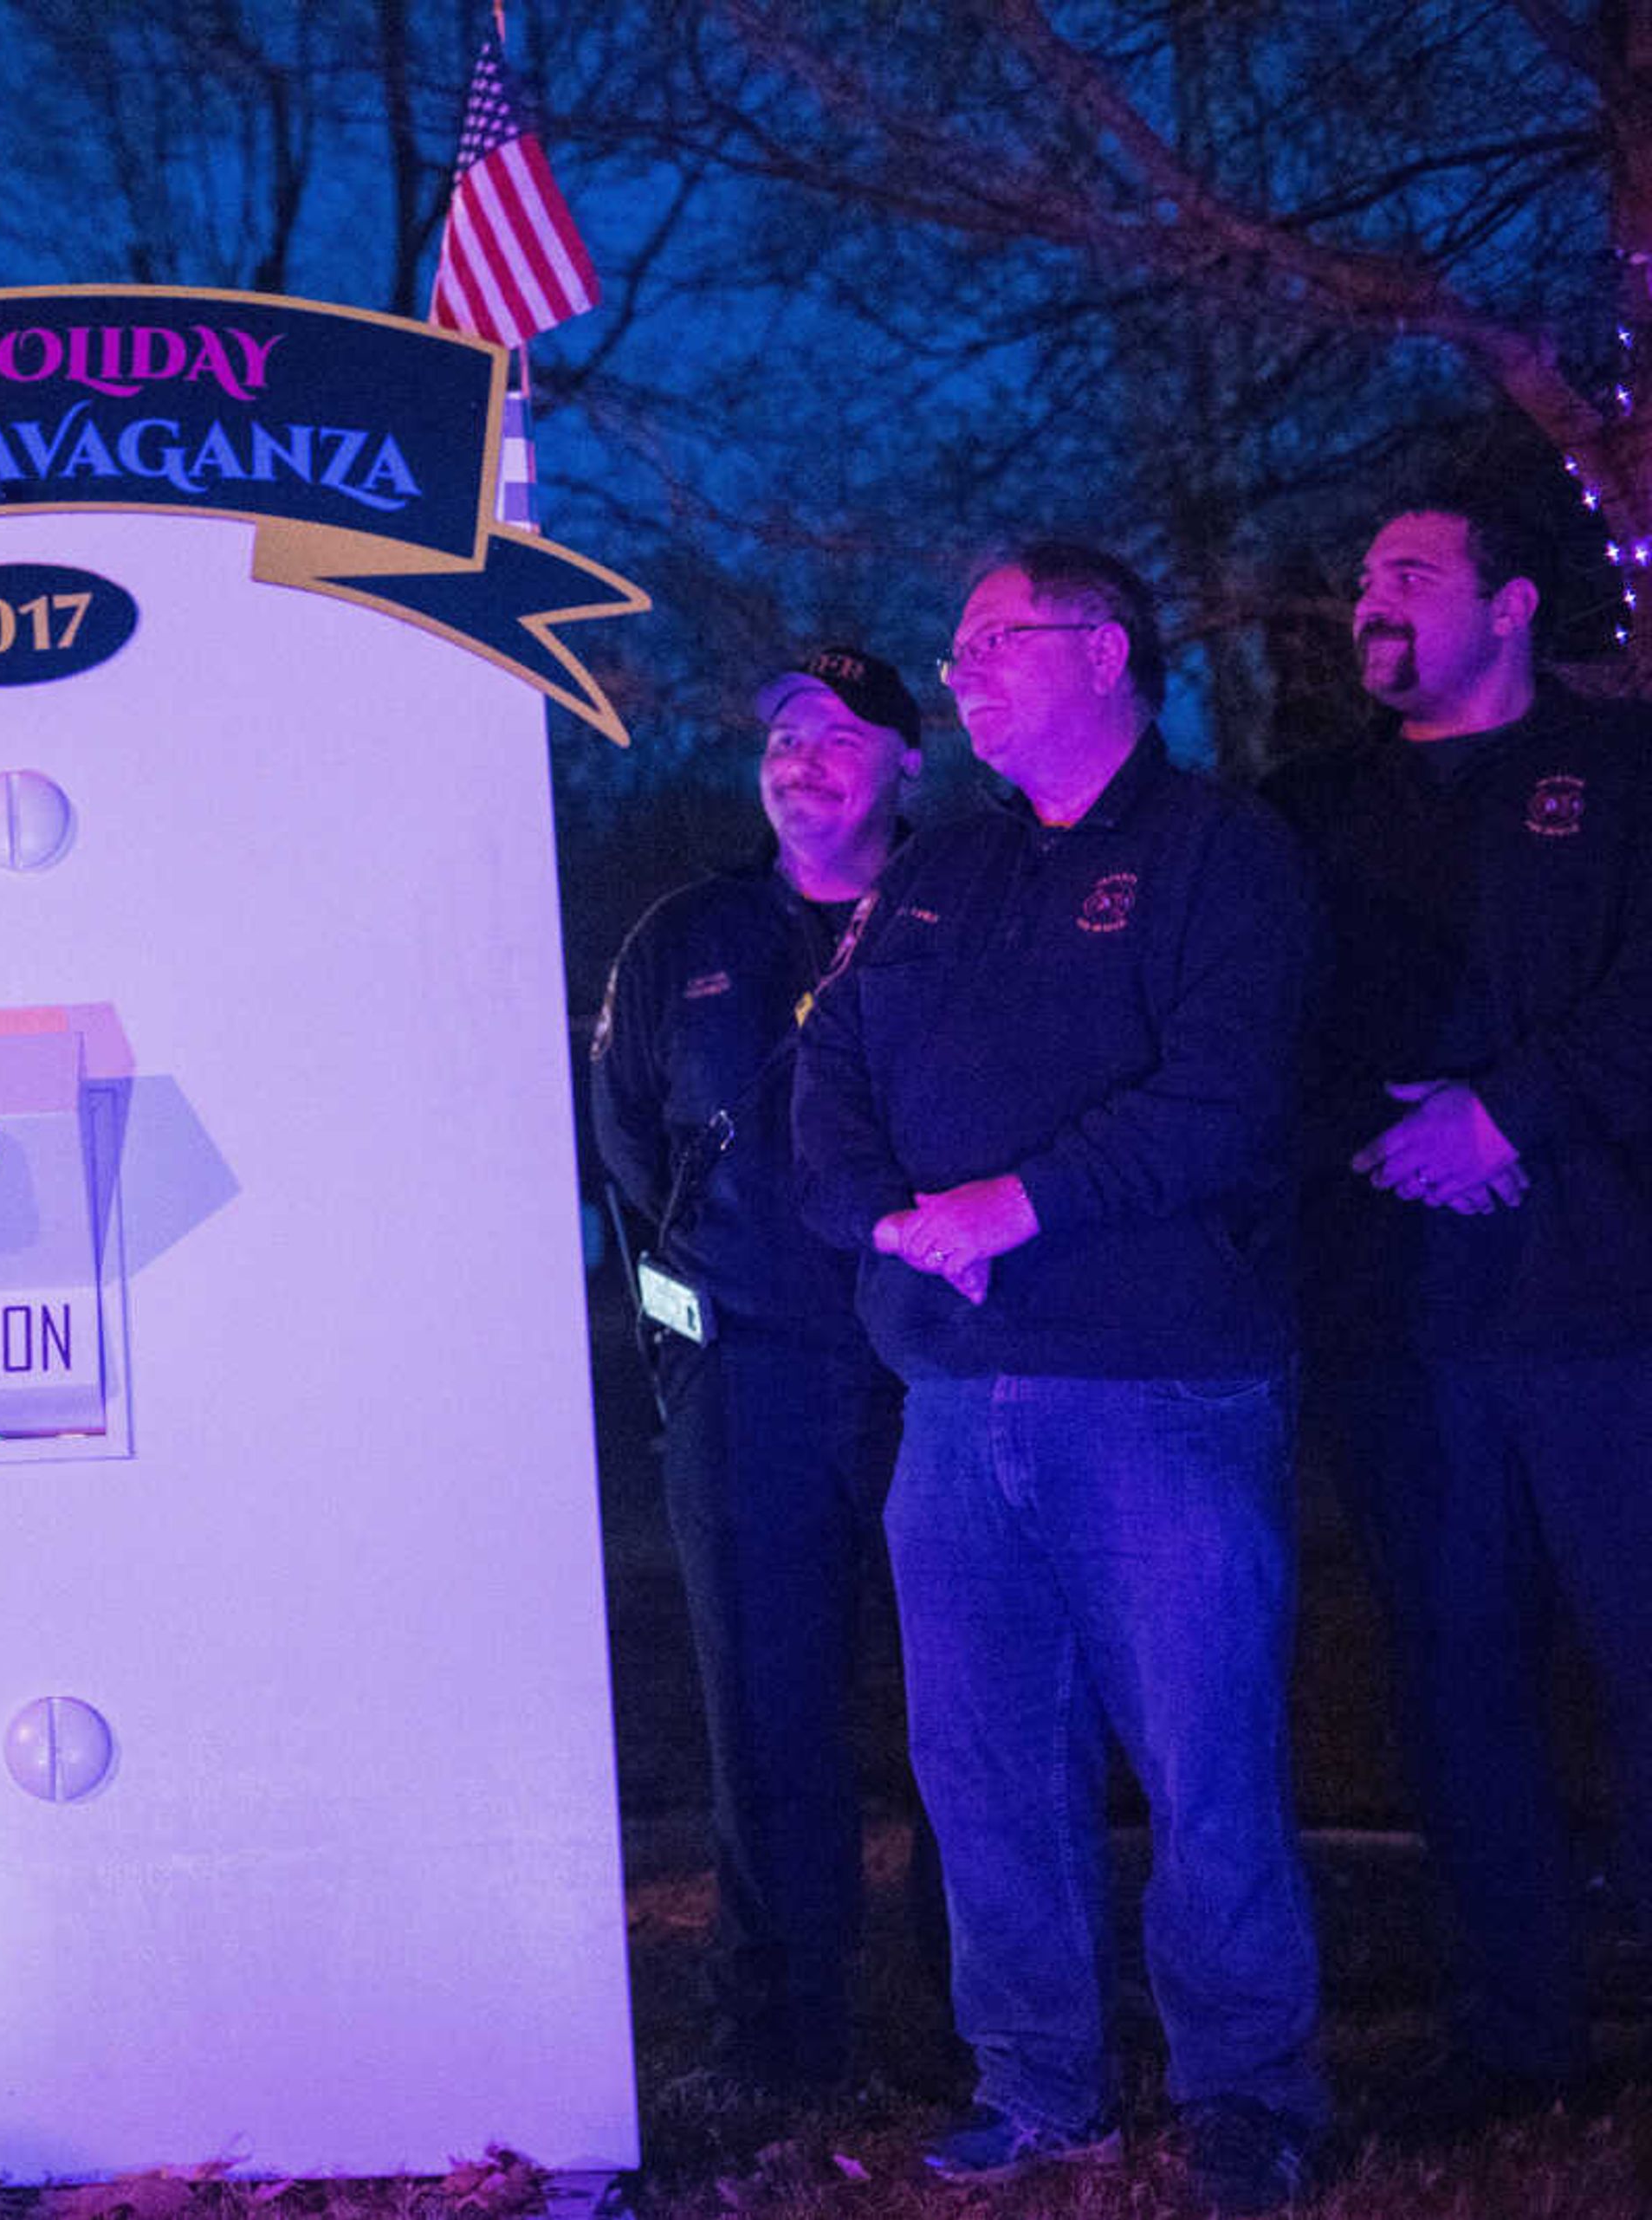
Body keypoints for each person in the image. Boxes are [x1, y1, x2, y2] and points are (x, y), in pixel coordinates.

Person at [794, 547, 1325, 2213]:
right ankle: (1040, 2090)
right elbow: (827, 1078)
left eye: (990, 644)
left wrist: (1017, 1206)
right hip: (957, 1404)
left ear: (1104, 653)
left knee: (1205, 1762)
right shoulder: (941, 872)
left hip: (1158, 1393)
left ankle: (1250, 2096)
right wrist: (888, 1217)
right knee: (983, 1768)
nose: (958, 674)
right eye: (955, 651)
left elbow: (1228, 1097)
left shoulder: (1222, 858)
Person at [1262, 495, 1652, 2123]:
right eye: (1362, 580)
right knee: (1454, 1677)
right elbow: (1259, 1029)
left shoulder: (1628, 773)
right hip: (1405, 1327)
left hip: (1605, 1308)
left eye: (1410, 576)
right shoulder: (1306, 810)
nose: (1373, 601)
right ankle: (1516, 2036)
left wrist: (1510, 1113)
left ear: (1508, 605)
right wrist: (1402, 1128)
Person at [588, 645, 928, 2094]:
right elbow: (627, 1149)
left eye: (844, 733)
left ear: (912, 763)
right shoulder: (687, 934)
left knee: (968, 1716)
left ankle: (975, 2021)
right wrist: (693, 1319)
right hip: (752, 1383)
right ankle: (776, 2036)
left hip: (945, 1367)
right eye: (785, 732)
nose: (806, 756)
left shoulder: (968, 911)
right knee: (768, 1714)